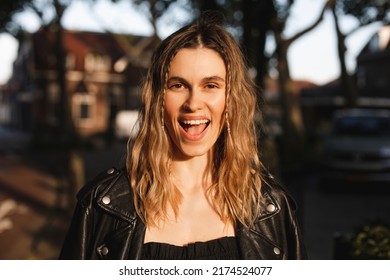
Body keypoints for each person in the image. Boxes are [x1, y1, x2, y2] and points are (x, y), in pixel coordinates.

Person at [59, 13, 307, 260]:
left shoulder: (272, 208)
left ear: (230, 100)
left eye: (210, 85)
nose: (193, 103)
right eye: (178, 85)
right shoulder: (102, 205)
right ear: (158, 99)